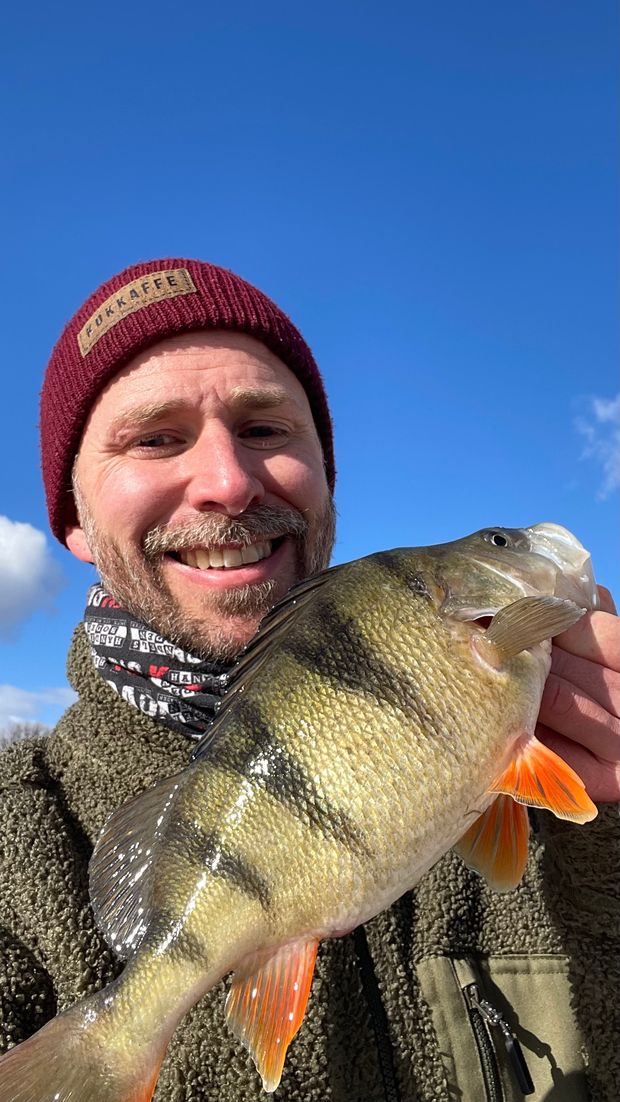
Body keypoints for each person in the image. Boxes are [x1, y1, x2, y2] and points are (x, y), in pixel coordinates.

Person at [0, 258, 618, 1102]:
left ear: (326, 472)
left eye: (263, 428)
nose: (226, 482)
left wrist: (606, 840)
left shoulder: (553, 741)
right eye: (154, 438)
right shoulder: (15, 848)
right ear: (72, 519)